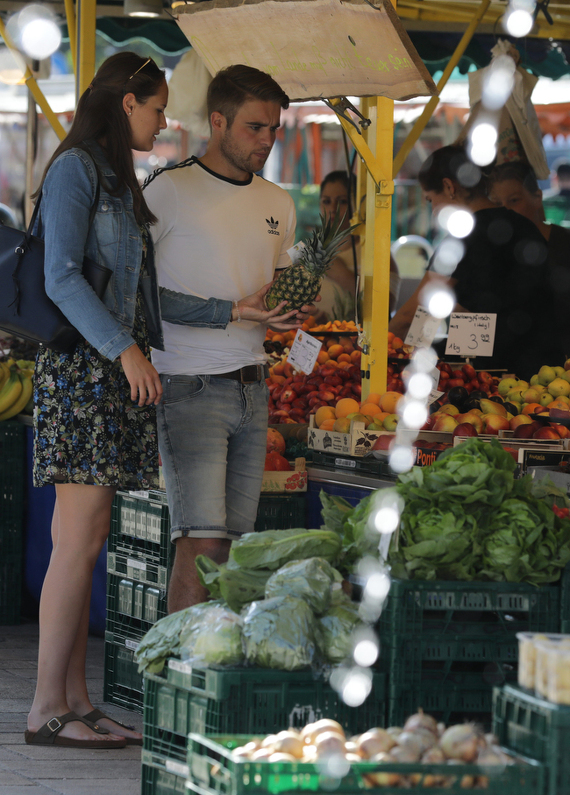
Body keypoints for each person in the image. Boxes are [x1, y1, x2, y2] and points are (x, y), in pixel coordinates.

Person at [26, 53, 301, 750]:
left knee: (85, 545)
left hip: (116, 377)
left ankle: (76, 701)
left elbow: (145, 294)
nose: (162, 120)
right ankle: (46, 710)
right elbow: (60, 275)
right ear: (127, 102)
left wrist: (227, 312)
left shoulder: (116, 178)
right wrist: (124, 348)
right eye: (155, 108)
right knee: (74, 546)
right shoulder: (77, 169)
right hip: (86, 374)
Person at [144, 64, 304, 614]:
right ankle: (180, 678)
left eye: (274, 128)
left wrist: (287, 309)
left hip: (253, 386)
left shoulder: (280, 203)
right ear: (218, 121)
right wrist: (230, 310)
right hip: (187, 385)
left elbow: (274, 291)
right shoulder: (168, 190)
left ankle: (211, 672)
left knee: (235, 548)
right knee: (201, 540)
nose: (267, 139)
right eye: (255, 127)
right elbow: (137, 298)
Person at [388, 144, 563, 379]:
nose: (433, 213)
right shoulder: (523, 226)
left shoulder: (462, 238)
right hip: (546, 371)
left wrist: (377, 353)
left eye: (430, 200)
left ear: (449, 187)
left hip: (500, 375)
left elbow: (415, 314)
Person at [488, 160, 570, 360]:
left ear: (537, 197)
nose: (505, 211)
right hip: (508, 370)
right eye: (497, 204)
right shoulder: (490, 253)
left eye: (514, 200)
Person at [316, 170, 400, 322]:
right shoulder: (311, 253)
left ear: (357, 204)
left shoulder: (376, 253)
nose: (333, 209)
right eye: (326, 201)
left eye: (342, 201)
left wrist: (341, 274)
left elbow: (385, 310)